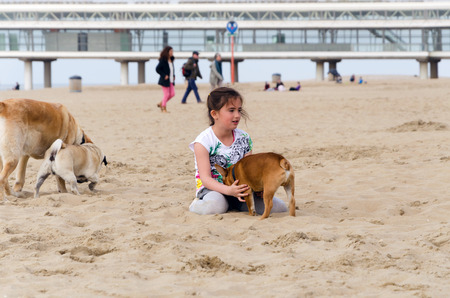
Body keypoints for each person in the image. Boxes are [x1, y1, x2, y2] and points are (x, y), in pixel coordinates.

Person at [188, 87, 288, 215]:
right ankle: (196, 204)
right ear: (214, 114)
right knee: (216, 206)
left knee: (279, 207)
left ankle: (234, 205)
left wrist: (259, 187)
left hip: (241, 190)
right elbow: (206, 179)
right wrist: (228, 190)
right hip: (213, 190)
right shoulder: (203, 142)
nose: (237, 115)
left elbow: (250, 172)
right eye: (231, 110)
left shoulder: (244, 138)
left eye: (239, 110)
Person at [155, 46, 175, 113]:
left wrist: (174, 75)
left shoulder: (171, 59)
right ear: (167, 52)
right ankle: (163, 108)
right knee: (166, 94)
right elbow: (157, 69)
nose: (172, 52)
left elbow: (171, 70)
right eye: (171, 51)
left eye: (172, 51)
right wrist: (164, 75)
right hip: (165, 80)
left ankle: (161, 103)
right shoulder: (163, 60)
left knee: (172, 94)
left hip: (171, 80)